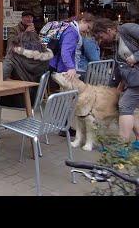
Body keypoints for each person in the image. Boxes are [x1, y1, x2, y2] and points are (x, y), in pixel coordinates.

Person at [92, 18, 139, 146]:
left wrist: (136, 57)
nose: (101, 41)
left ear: (108, 30)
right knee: (128, 107)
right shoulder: (115, 42)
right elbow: (118, 68)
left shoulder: (127, 28)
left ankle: (122, 146)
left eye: (101, 37)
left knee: (125, 105)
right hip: (134, 81)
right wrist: (109, 88)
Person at [49, 13, 95, 83]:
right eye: (88, 27)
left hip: (52, 62)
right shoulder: (72, 32)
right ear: (83, 21)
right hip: (58, 66)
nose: (88, 31)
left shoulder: (68, 26)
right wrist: (70, 67)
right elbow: (65, 51)